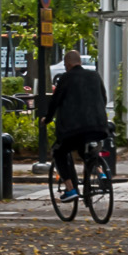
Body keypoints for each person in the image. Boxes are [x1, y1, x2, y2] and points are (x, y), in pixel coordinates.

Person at [39, 45, 114, 196]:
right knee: (86, 149)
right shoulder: (95, 76)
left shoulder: (65, 78)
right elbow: (104, 98)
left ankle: (70, 188)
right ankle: (101, 173)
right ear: (79, 61)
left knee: (59, 152)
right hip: (99, 126)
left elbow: (55, 102)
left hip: (74, 129)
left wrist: (47, 119)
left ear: (67, 64)